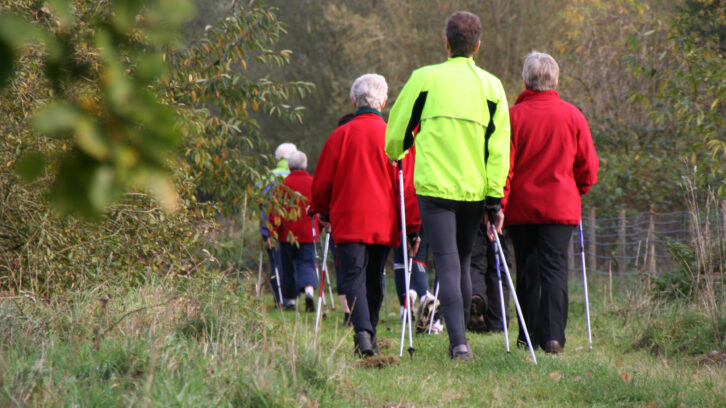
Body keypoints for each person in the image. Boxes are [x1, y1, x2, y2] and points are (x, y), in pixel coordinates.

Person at [386, 11, 511, 360]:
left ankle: (459, 344)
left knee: (446, 261)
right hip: (474, 189)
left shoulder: (424, 79)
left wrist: (396, 151)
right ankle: (461, 340)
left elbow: (396, 132)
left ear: (446, 43)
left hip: (435, 189)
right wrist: (494, 201)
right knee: (463, 257)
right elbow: (498, 149)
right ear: (478, 46)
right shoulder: (492, 87)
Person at [312, 73, 421, 357]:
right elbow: (407, 188)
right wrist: (413, 227)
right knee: (375, 276)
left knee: (352, 276)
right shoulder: (395, 139)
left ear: (353, 101)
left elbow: (323, 182)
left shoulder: (339, 136)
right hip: (383, 221)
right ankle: (367, 331)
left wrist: (321, 211)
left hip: (348, 220)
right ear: (384, 102)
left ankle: (363, 333)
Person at [504, 51, 599, 354]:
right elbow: (589, 166)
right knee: (555, 269)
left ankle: (527, 336)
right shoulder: (573, 115)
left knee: (527, 269)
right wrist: (579, 188)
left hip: (521, 208)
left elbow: (502, 165)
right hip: (560, 206)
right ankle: (553, 336)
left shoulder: (513, 117)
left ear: (525, 80)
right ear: (556, 79)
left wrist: (499, 203)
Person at [273, 150, 318, 312]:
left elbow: (275, 210)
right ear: (305, 165)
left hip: (287, 234)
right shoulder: (313, 183)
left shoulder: (283, 185)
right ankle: (309, 291)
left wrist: (273, 232)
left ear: (290, 166)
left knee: (288, 266)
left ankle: (291, 300)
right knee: (307, 264)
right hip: (308, 233)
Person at [260, 142, 297, 306]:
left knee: (276, 263)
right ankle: (292, 298)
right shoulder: (296, 175)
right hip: (294, 228)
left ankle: (278, 298)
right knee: (293, 262)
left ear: (277, 157)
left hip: (270, 226)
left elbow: (260, 202)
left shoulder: (268, 177)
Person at [468, 223, 512, 333]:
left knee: (474, 262)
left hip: (473, 210)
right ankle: (498, 321)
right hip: (497, 215)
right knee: (498, 265)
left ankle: (476, 296)